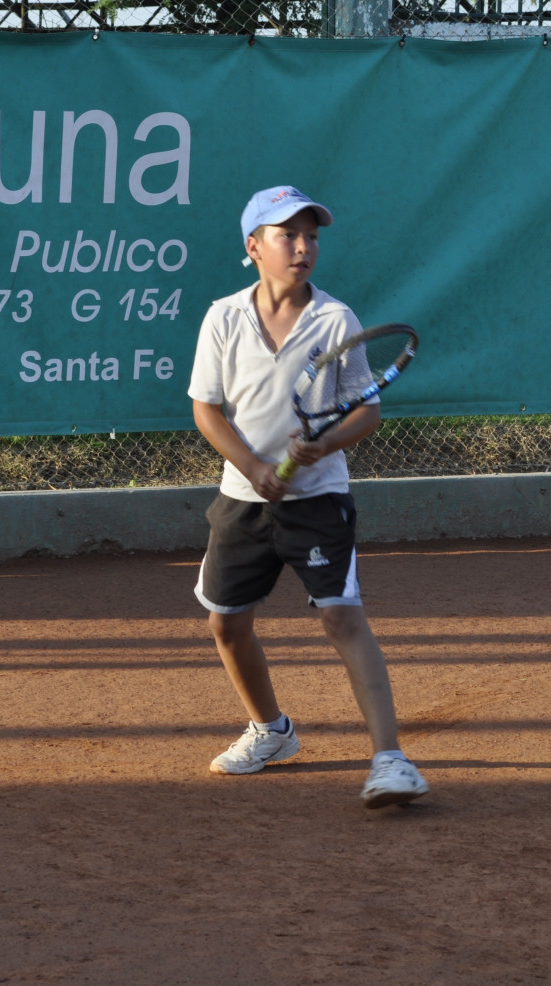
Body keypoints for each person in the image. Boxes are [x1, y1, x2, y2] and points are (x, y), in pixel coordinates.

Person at [187, 185, 429, 809]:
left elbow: (365, 412)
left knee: (342, 617)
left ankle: (390, 760)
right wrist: (251, 465)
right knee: (226, 624)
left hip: (319, 501)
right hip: (242, 501)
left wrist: (323, 446)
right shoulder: (223, 317)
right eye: (288, 235)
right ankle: (271, 731)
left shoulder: (335, 320)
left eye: (311, 236)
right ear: (254, 246)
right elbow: (206, 409)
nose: (303, 247)